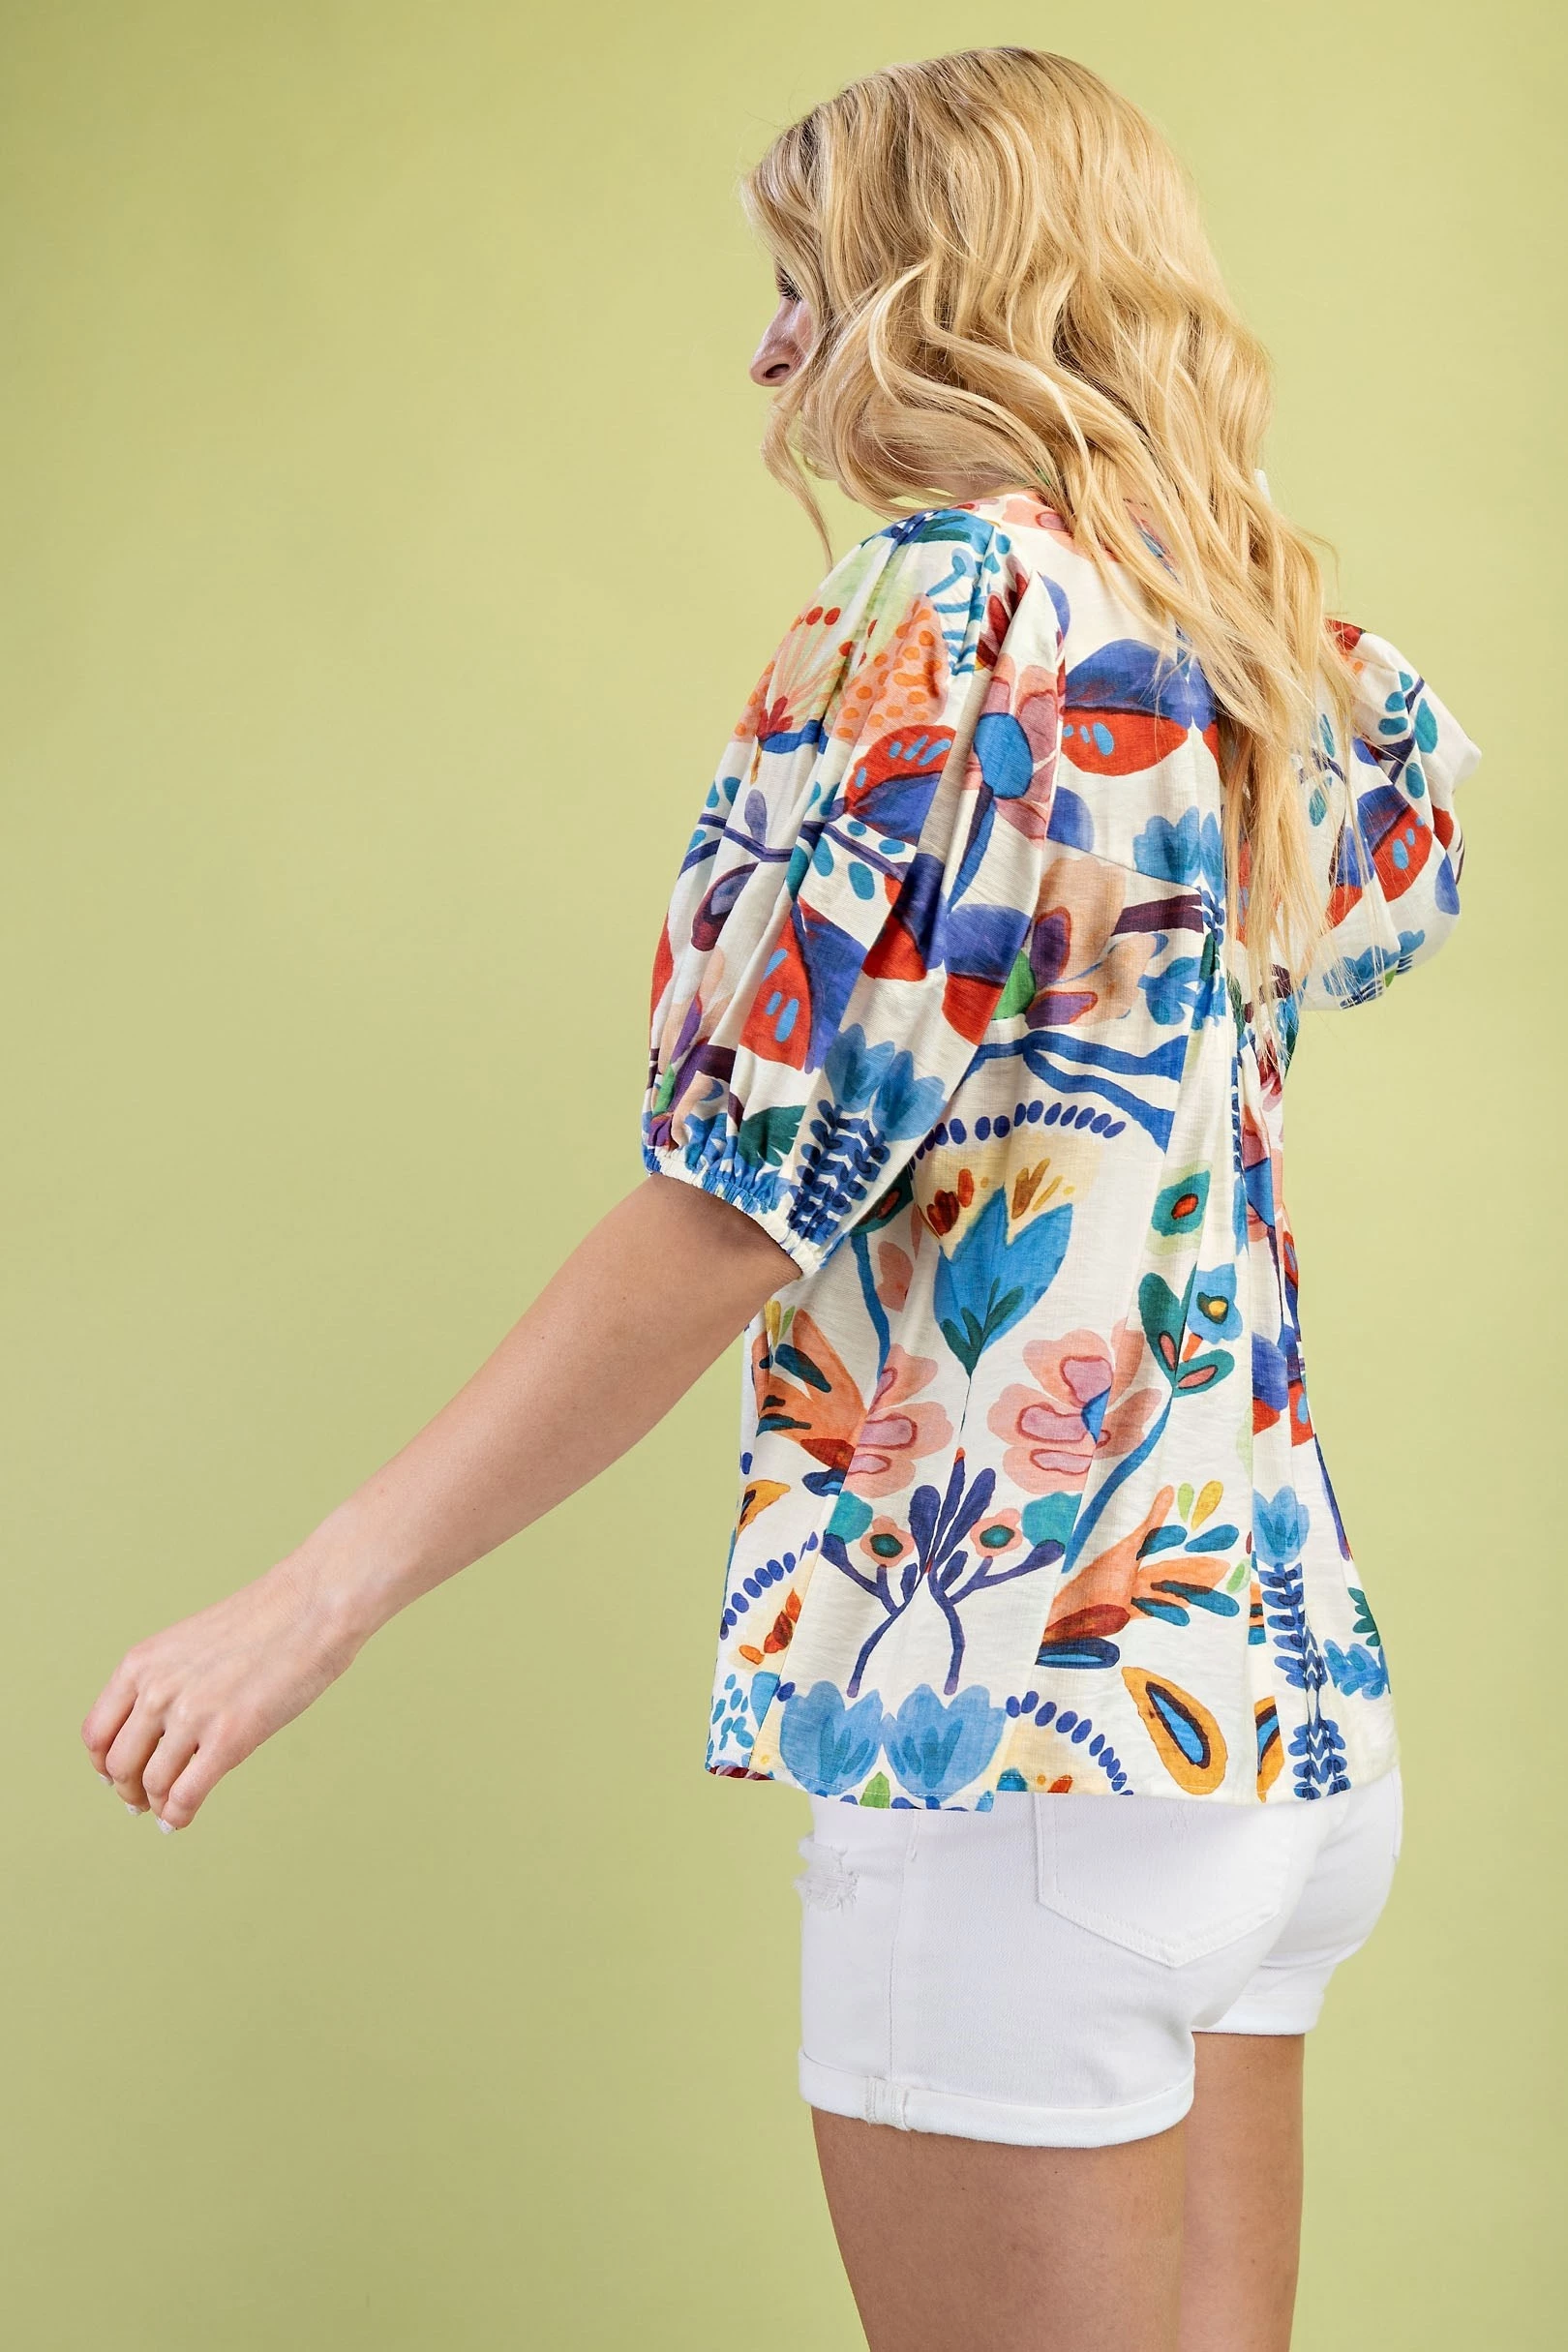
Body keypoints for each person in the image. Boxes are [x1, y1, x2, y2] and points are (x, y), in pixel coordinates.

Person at [80, 45, 1481, 2352]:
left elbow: (738, 1202)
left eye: (807, 289)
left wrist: (311, 1601)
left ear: (943, 298)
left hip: (1010, 1745)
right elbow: (1382, 910)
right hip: (1268, 1733)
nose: (766, 356)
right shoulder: (1262, 643)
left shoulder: (939, 619)